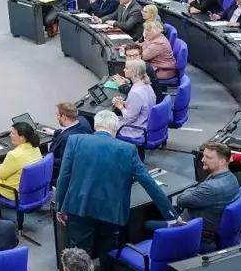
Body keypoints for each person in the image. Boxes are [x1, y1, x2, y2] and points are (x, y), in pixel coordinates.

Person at [53, 110, 174, 258]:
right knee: (109, 247)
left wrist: (60, 206)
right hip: (111, 208)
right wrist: (171, 215)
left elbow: (64, 176)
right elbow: (149, 183)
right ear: (115, 129)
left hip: (79, 206)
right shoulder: (128, 149)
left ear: (96, 126)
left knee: (80, 250)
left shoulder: (75, 141)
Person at [151, 143, 239, 252]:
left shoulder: (209, 188)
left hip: (195, 231)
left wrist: (194, 190)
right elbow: (197, 190)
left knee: (147, 224)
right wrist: (195, 190)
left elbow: (181, 201)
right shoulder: (232, 178)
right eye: (204, 155)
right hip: (209, 220)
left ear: (222, 161)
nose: (202, 160)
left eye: (208, 157)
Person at [113, 59, 156, 144]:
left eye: (127, 68)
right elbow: (142, 106)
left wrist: (120, 107)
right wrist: (125, 103)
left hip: (136, 129)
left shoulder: (135, 92)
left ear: (135, 72)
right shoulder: (146, 85)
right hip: (146, 122)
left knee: (106, 123)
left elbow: (129, 118)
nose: (124, 70)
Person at [50, 102, 91, 172]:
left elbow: (64, 162)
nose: (56, 118)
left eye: (57, 115)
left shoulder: (67, 139)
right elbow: (70, 129)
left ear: (63, 118)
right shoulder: (83, 120)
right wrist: (53, 132)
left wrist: (46, 160)